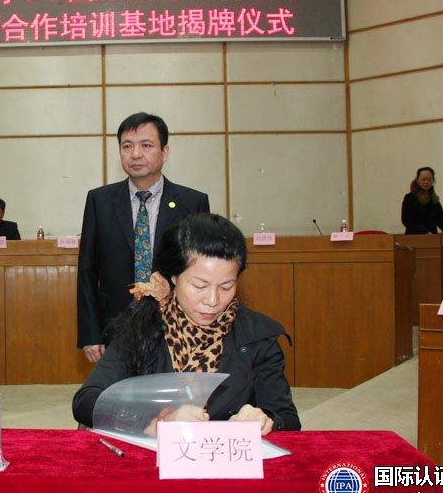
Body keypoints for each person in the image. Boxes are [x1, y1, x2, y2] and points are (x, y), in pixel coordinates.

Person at [73, 213, 300, 435]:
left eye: (226, 286)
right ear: (173, 276)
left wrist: (265, 419)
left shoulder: (258, 337)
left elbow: (287, 417)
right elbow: (86, 400)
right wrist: (153, 422)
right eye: (200, 286)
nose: (213, 301)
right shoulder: (141, 326)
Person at [78, 112, 210, 363]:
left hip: (179, 326)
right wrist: (90, 334)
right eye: (127, 146)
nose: (135, 154)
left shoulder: (193, 202)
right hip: (115, 325)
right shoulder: (99, 201)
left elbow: (202, 271)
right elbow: (87, 271)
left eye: (146, 145)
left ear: (165, 152)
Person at [401, 166, 443, 243]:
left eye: (429, 179)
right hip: (414, 238)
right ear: (417, 180)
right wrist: (424, 232)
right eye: (423, 179)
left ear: (433, 181)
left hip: (432, 239)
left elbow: (442, 220)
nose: (426, 182)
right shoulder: (410, 198)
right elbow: (407, 220)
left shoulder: (433, 199)